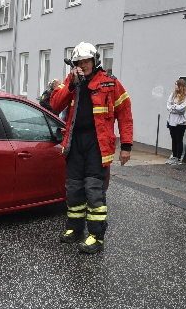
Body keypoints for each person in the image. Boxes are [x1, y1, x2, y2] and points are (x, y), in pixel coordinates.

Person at [50, 42, 133, 254]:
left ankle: (96, 235)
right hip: (75, 143)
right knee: (74, 188)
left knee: (94, 190)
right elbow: (55, 105)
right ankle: (74, 229)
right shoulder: (72, 82)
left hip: (97, 144)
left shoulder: (110, 83)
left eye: (86, 61)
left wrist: (126, 145)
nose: (83, 65)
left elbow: (125, 114)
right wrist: (71, 85)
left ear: (94, 61)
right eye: (79, 62)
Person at [166, 79, 186, 165]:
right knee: (173, 139)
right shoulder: (173, 94)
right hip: (171, 120)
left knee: (179, 139)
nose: (175, 86)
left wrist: (174, 107)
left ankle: (178, 158)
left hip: (180, 122)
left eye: (176, 85)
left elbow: (182, 109)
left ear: (181, 86)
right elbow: (168, 106)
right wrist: (175, 107)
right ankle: (174, 156)